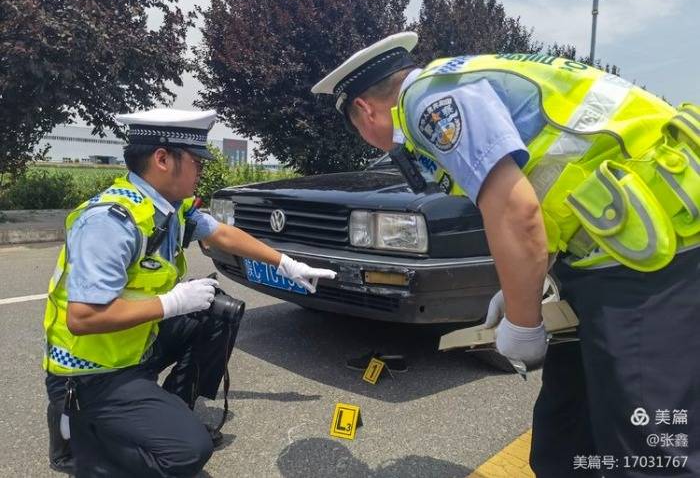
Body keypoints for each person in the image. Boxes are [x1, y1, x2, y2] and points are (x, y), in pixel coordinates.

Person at [312, 32, 700, 477]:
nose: (371, 142)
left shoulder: (426, 101)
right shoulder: (460, 79)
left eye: (360, 131)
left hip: (655, 255)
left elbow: (516, 212)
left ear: (364, 110)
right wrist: (521, 288)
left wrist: (522, 320)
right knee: (564, 432)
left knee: (648, 448)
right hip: (614, 249)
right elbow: (548, 194)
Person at [43, 108, 336, 477]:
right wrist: (171, 303)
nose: (201, 170)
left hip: (134, 346)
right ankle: (83, 447)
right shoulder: (110, 222)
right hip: (92, 374)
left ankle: (171, 409)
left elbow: (222, 234)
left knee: (219, 311)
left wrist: (286, 264)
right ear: (163, 159)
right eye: (196, 161)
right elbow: (83, 318)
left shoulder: (169, 209)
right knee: (187, 453)